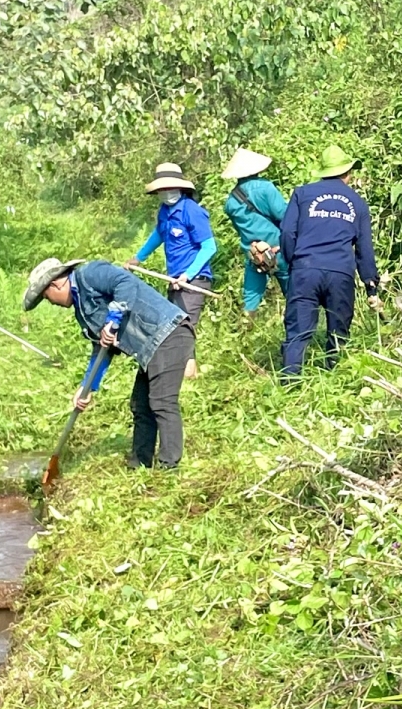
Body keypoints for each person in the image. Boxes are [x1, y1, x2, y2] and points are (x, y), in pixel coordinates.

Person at [23, 257, 194, 470]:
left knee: (162, 401)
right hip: (150, 347)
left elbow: (125, 283)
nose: (51, 303)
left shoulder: (90, 274)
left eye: (47, 297)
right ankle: (140, 465)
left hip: (169, 333)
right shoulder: (82, 311)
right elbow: (101, 348)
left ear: (55, 284)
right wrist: (87, 387)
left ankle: (169, 468)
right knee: (140, 405)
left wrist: (113, 320)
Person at [277, 144, 381, 376]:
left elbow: (286, 233)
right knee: (338, 333)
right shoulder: (357, 202)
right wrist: (370, 285)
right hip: (341, 273)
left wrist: (294, 262)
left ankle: (290, 384)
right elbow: (364, 249)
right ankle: (334, 379)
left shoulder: (302, 194)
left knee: (298, 332)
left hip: (305, 269)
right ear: (348, 172)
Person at [136, 162, 215, 378]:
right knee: (176, 324)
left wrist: (187, 275)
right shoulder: (165, 211)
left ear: (180, 188)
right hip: (174, 279)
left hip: (194, 279)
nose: (166, 193)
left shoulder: (192, 211)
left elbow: (209, 247)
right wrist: (138, 258)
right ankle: (185, 371)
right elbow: (159, 236)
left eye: (169, 188)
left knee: (185, 324)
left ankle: (189, 374)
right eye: (162, 189)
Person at [220, 148, 290, 313]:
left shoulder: (231, 201)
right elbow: (283, 215)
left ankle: (246, 327)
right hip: (277, 248)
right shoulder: (266, 188)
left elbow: (239, 230)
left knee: (251, 295)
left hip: (253, 253)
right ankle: (300, 328)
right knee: (292, 290)